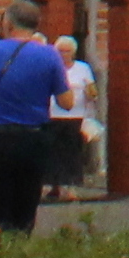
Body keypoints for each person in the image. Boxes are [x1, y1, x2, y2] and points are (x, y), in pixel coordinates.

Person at [0, 0, 70, 235]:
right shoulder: (49, 56)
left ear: (9, 24)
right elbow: (66, 103)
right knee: (25, 202)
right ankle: (20, 248)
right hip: (33, 138)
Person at [49, 34, 96, 203]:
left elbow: (91, 89)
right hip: (53, 115)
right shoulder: (52, 67)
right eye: (60, 51)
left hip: (75, 116)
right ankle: (56, 186)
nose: (63, 55)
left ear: (73, 52)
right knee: (55, 153)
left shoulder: (82, 68)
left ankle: (72, 187)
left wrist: (91, 95)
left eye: (67, 51)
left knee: (73, 153)